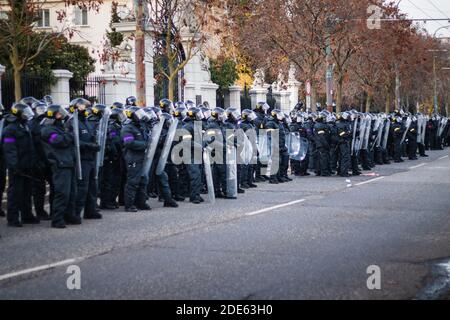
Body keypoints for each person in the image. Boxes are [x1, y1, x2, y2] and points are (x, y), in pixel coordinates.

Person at [40, 104, 81, 228]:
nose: (62, 115)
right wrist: (70, 135)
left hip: (68, 162)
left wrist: (68, 133)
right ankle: (57, 219)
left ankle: (69, 215)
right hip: (60, 163)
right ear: (54, 115)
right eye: (59, 113)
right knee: (62, 193)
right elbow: (59, 141)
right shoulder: (47, 129)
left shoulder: (60, 127)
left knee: (72, 192)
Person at [3, 103, 39, 227]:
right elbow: (9, 149)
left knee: (27, 192)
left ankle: (27, 215)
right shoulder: (10, 129)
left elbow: (30, 147)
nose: (27, 115)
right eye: (24, 113)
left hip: (27, 165)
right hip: (17, 167)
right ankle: (12, 218)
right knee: (15, 193)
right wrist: (14, 166)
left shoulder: (24, 126)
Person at [68, 98, 102, 220]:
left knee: (93, 186)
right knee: (82, 187)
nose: (86, 109)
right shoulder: (72, 122)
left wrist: (95, 142)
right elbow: (74, 141)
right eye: (83, 107)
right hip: (81, 159)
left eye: (86, 107)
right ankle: (76, 212)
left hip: (90, 158)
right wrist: (89, 146)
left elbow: (91, 136)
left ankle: (90, 210)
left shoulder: (86, 122)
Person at [121, 106, 151, 212]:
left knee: (143, 180)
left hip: (142, 157)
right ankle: (129, 205)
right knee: (133, 181)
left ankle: (141, 202)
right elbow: (128, 142)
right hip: (133, 158)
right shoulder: (127, 128)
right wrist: (145, 145)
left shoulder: (140, 127)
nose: (141, 115)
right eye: (138, 113)